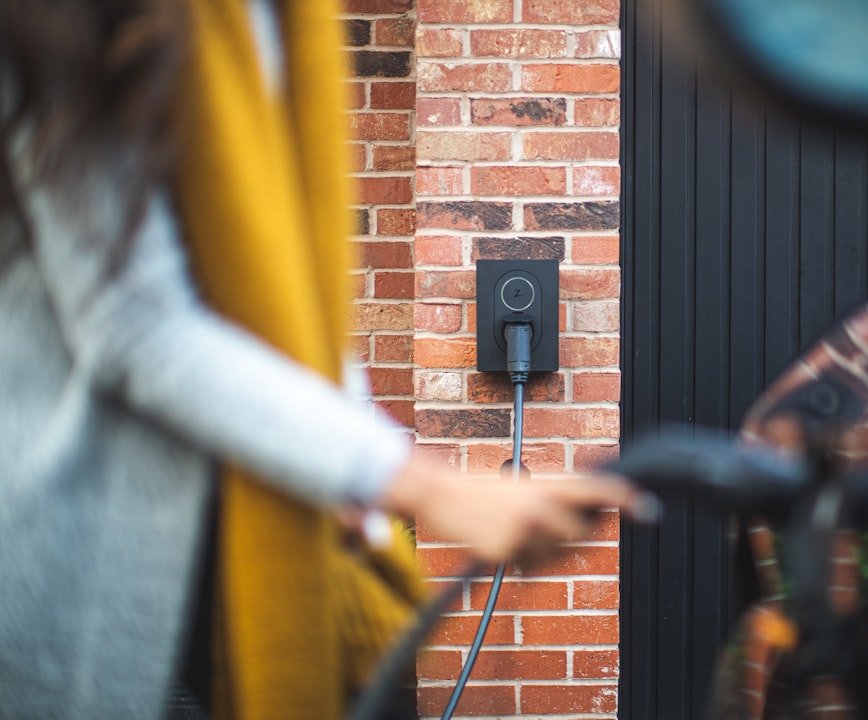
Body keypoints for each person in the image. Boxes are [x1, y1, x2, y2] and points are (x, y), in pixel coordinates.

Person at [0, 1, 653, 718]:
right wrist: (429, 489)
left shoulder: (285, 21)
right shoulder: (65, 19)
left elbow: (292, 305)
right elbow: (136, 325)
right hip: (103, 553)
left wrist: (352, 465)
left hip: (262, 520)